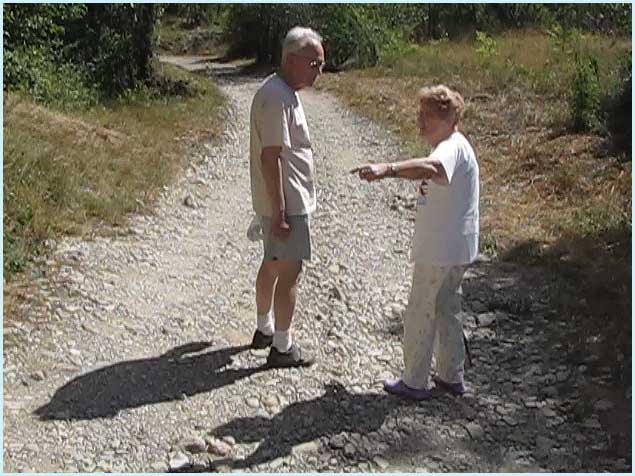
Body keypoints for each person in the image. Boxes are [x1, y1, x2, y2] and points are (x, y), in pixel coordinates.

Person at [352, 85, 479, 400]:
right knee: (446, 307)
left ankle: (414, 381)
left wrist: (388, 169)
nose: (420, 122)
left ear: (448, 119)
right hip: (455, 247)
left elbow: (433, 168)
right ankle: (451, 376)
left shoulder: (450, 147)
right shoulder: (454, 146)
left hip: (441, 250)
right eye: (420, 115)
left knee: (421, 310)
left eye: (428, 116)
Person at [248, 27, 325, 368]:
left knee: (273, 263)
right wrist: (280, 212)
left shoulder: (281, 91)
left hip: (283, 201)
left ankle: (264, 329)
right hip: (287, 204)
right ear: (293, 60)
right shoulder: (277, 97)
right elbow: (271, 158)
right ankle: (282, 346)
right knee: (290, 271)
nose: (320, 70)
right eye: (315, 63)